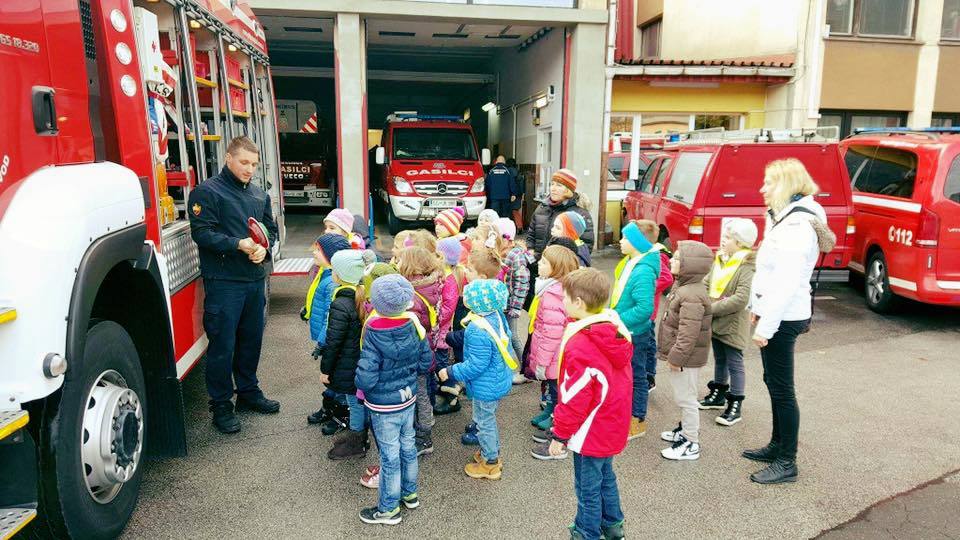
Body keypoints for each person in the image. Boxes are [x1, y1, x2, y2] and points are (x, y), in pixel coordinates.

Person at [745, 158, 835, 484]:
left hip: (783, 317)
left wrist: (766, 326)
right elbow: (768, 274)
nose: (762, 189)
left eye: (768, 183)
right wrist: (757, 306)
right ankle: (777, 446)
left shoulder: (796, 226)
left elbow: (785, 282)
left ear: (786, 185)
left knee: (782, 389)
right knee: (774, 382)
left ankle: (787, 462)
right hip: (777, 313)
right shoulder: (785, 217)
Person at [188, 136, 280, 434]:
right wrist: (238, 244)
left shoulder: (259, 195)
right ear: (228, 158)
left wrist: (264, 249)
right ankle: (221, 405)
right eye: (244, 162)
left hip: (254, 280)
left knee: (251, 341)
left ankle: (248, 392)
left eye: (254, 164)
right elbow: (202, 234)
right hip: (224, 282)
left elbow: (270, 231)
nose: (249, 169)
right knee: (223, 346)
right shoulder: (207, 192)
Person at [537, 269, 632, 540]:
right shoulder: (614, 329)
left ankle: (586, 532)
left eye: (565, 297)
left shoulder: (580, 344)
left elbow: (574, 398)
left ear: (578, 302)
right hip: (612, 421)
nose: (562, 301)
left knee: (587, 487)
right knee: (606, 477)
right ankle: (612, 525)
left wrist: (560, 435)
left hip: (591, 428)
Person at [355, 275, 433, 525]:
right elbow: (426, 361)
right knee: (408, 447)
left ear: (377, 303)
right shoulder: (413, 324)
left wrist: (360, 385)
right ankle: (410, 494)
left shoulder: (373, 331)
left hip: (383, 404)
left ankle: (388, 509)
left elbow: (366, 376)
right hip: (407, 397)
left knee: (389, 455)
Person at [438, 279, 514, 480]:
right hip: (496, 379)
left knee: (484, 422)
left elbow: (475, 365)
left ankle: (490, 463)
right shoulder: (496, 315)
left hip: (485, 385)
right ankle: (491, 451)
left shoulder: (477, 329)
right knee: (488, 419)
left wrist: (450, 371)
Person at [698, 218, 758, 427]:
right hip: (717, 320)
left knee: (735, 362)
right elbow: (706, 282)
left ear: (740, 242)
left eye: (728, 237)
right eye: (724, 236)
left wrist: (709, 308)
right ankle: (718, 394)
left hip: (733, 323)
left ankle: (736, 404)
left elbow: (741, 298)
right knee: (720, 358)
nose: (723, 240)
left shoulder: (747, 265)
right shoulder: (722, 259)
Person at [657, 241, 713, 461]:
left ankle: (691, 442)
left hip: (685, 358)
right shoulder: (685, 287)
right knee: (684, 396)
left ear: (691, 265)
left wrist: (676, 357)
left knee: (687, 399)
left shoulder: (691, 295)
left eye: (678, 258)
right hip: (683, 357)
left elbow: (688, 333)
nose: (672, 260)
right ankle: (685, 430)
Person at [323, 250, 374, 460]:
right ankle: (359, 435)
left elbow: (333, 341)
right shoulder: (363, 296)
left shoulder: (341, 303)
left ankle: (356, 442)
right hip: (360, 361)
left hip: (347, 364)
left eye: (334, 270)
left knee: (354, 402)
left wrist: (325, 369)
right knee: (357, 400)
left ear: (341, 274)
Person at [610, 222, 659, 440]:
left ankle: (637, 420)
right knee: (625, 375)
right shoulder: (633, 263)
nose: (621, 241)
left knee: (637, 376)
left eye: (625, 238)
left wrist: (616, 319)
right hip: (625, 330)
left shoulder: (643, 271)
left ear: (637, 242)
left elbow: (644, 308)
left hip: (634, 333)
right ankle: (625, 414)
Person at [396, 246, 445, 456]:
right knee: (424, 391)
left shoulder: (412, 296)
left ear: (410, 265)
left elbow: (410, 327)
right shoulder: (429, 286)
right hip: (428, 348)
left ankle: (424, 438)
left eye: (400, 259)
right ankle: (426, 423)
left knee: (420, 396)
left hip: (416, 354)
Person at [528, 245, 581, 433]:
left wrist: (542, 362)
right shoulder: (551, 288)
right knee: (552, 386)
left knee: (556, 386)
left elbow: (552, 333)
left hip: (554, 354)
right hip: (552, 352)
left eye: (544, 263)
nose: (539, 264)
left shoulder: (553, 293)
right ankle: (550, 410)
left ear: (556, 269)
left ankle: (557, 418)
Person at [304, 234, 352, 432]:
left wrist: (323, 342)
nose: (314, 252)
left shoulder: (332, 281)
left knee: (336, 377)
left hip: (331, 340)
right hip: (328, 339)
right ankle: (329, 408)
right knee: (332, 376)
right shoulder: (325, 274)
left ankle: (342, 415)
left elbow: (330, 318)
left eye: (319, 250)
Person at [632, 220, 673, 392]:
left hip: (648, 312)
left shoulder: (656, 256)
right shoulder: (639, 255)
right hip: (638, 310)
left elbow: (667, 278)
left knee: (648, 344)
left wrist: (644, 288)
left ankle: (649, 375)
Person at [525, 168, 594, 261]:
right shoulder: (542, 208)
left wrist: (561, 264)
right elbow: (531, 235)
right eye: (552, 184)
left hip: (562, 267)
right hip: (537, 265)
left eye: (559, 185)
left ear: (568, 190)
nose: (553, 189)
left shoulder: (579, 214)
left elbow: (586, 245)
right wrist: (531, 252)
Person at [433, 237, 467, 415]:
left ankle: (453, 398)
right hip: (438, 330)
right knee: (438, 362)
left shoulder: (450, 280)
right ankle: (444, 387)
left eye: (437, 254)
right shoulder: (443, 275)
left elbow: (448, 308)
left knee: (441, 364)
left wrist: (435, 319)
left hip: (441, 332)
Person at [497, 218, 533, 385]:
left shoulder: (515, 255)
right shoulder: (502, 252)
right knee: (506, 335)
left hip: (511, 305)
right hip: (504, 304)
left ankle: (526, 369)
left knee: (513, 336)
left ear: (506, 238)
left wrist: (516, 308)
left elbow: (522, 283)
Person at [506, 158, 525, 232]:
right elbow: (522, 185)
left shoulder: (507, 172)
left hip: (509, 194)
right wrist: (522, 194)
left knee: (507, 212)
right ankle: (519, 227)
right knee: (515, 211)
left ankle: (509, 228)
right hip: (518, 195)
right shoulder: (519, 172)